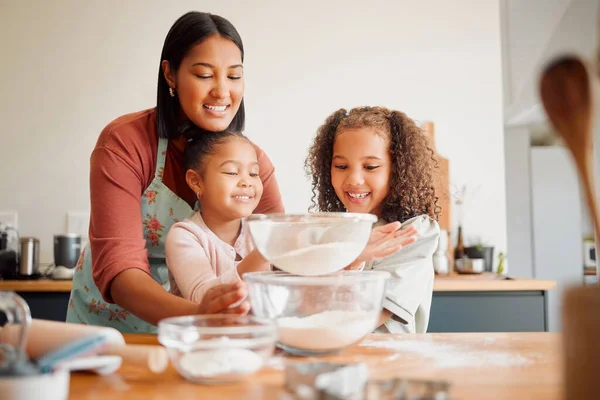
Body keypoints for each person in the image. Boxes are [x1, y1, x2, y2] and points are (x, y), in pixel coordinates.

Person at [66, 11, 284, 333]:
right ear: (170, 74)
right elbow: (120, 268)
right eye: (204, 74)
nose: (222, 92)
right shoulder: (125, 143)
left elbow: (279, 250)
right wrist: (199, 317)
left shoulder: (252, 165)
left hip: (210, 331)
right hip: (114, 332)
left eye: (234, 76)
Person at [305, 106, 441, 334]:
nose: (354, 179)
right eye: (341, 166)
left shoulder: (414, 233)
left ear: (397, 170)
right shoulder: (330, 229)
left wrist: (349, 259)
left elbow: (363, 318)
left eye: (370, 167)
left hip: (387, 365)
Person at [164, 130, 272, 303]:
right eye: (231, 172)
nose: (247, 182)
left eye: (253, 173)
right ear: (196, 182)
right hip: (203, 330)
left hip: (256, 331)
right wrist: (263, 254)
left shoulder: (263, 229)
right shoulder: (185, 236)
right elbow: (202, 297)